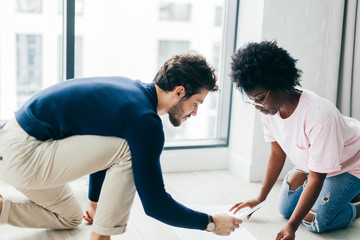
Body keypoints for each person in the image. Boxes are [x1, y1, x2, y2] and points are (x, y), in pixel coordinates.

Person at [0, 52, 242, 240]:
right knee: (129, 148)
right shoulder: (145, 121)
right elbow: (155, 204)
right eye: (196, 103)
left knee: (70, 217)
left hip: (10, 144)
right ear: (179, 92)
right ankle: (101, 235)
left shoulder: (129, 91)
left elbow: (98, 140)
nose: (196, 113)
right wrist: (210, 223)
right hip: (25, 156)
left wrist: (94, 202)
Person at [229, 41, 360, 240]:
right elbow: (276, 153)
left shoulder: (319, 115)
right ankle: (342, 195)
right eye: (252, 99)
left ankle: (355, 207)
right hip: (316, 164)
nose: (257, 105)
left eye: (260, 97)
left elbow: (317, 177)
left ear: (280, 83)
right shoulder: (269, 109)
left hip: (350, 163)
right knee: (285, 209)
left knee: (316, 221)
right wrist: (260, 198)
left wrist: (292, 227)